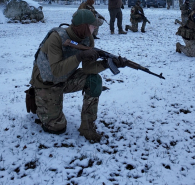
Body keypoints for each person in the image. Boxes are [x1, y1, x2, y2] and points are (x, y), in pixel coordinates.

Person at [27, 10, 127, 142]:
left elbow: (88, 68)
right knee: (57, 127)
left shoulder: (88, 39)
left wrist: (107, 64)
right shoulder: (56, 38)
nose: (95, 27)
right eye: (93, 25)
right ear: (83, 26)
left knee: (94, 80)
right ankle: (37, 97)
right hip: (47, 83)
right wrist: (79, 56)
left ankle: (87, 127)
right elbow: (56, 70)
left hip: (66, 79)